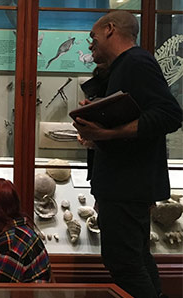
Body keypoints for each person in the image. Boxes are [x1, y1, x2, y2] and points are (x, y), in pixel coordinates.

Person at [73, 11, 182, 298]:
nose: (90, 45)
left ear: (110, 29)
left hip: (126, 186)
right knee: (135, 259)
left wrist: (107, 134)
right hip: (124, 185)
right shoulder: (125, 65)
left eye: (92, 37)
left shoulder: (136, 62)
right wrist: (98, 121)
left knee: (124, 263)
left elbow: (170, 114)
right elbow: (136, 117)